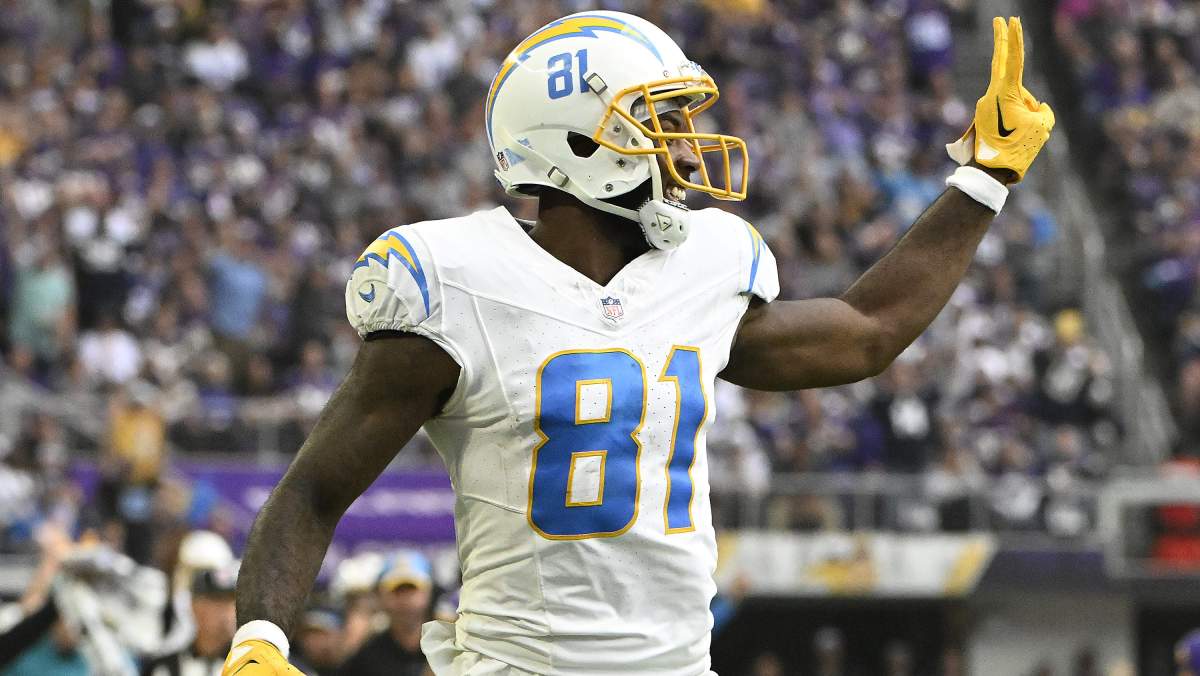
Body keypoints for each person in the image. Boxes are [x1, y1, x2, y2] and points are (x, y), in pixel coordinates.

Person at [223, 12, 1055, 675]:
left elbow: (867, 332)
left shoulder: (705, 268)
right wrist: (259, 640)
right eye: (658, 122)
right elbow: (312, 491)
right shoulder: (459, 281)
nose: (684, 144)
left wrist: (983, 178)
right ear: (577, 141)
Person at [337, 551, 434, 676]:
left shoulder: (447, 646)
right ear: (381, 596)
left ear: (429, 593)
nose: (405, 600)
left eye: (412, 589)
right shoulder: (367, 658)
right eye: (396, 591)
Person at [143, 565, 238, 676]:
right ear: (194, 606)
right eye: (218, 601)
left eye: (233, 602)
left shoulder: (250, 662)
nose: (228, 611)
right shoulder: (164, 667)